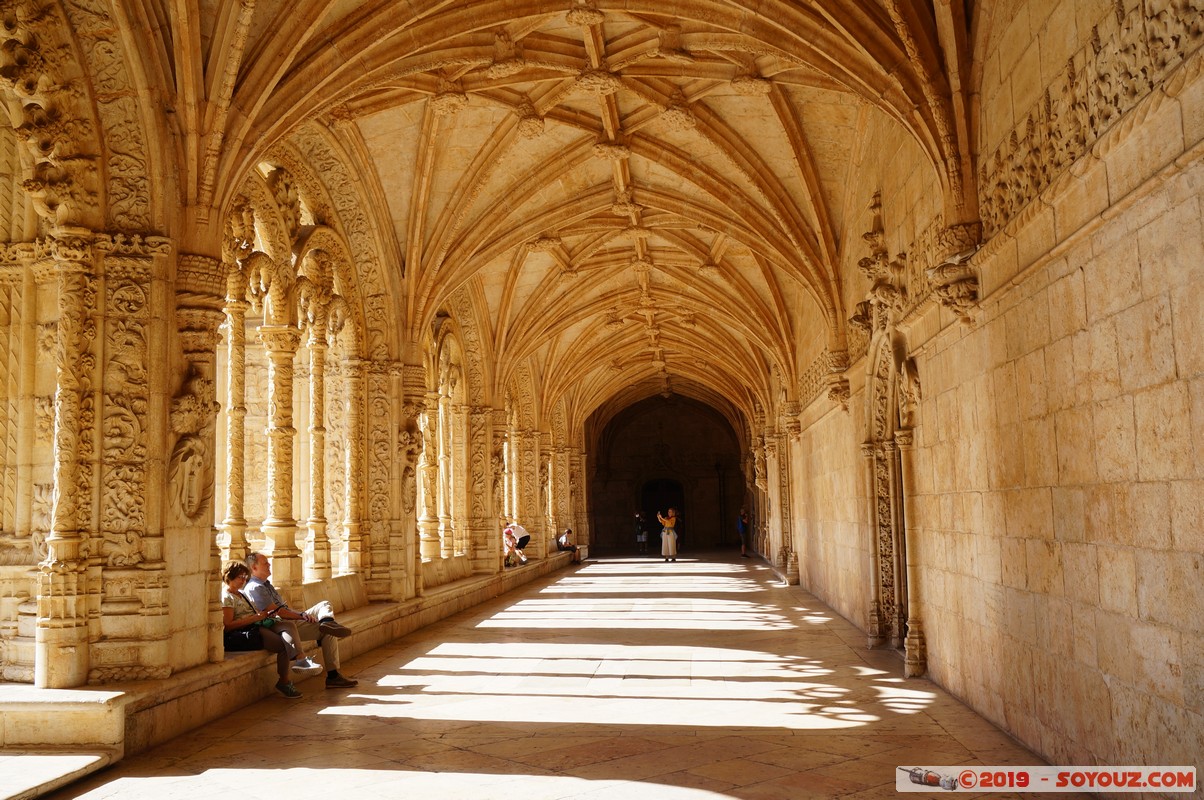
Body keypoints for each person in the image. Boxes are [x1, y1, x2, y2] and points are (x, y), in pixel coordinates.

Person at [243, 552, 359, 688]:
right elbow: (277, 612)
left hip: (291, 621)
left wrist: (302, 614)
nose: (269, 564)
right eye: (265, 563)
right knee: (328, 632)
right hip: (282, 627)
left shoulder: (266, 584)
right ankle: (333, 676)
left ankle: (327, 622)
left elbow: (283, 608)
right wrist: (301, 616)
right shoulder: (255, 587)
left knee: (324, 606)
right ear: (254, 567)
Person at [220, 560, 323, 699]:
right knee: (283, 645)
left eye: (245, 577)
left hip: (258, 623)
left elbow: (253, 613)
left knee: (288, 625)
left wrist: (266, 614)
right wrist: (254, 618)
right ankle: (284, 682)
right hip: (248, 630)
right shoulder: (227, 597)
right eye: (240, 577)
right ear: (229, 576)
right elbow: (228, 626)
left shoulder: (242, 593)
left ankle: (301, 659)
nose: (243, 580)